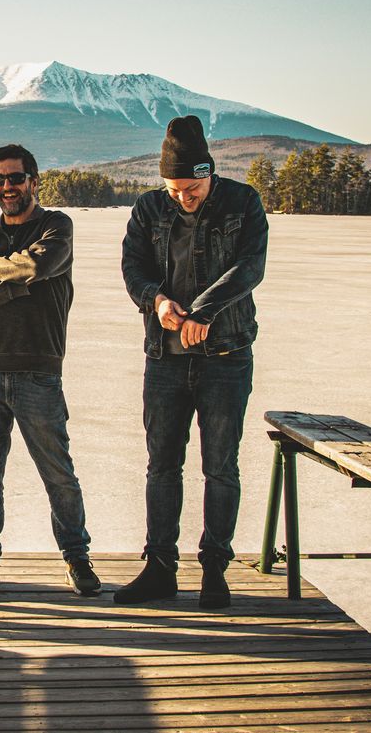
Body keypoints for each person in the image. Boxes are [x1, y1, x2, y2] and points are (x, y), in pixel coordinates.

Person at [117, 115, 268, 608]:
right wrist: (157, 301)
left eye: (193, 187)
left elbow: (250, 267)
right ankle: (160, 568)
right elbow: (133, 266)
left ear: (210, 171)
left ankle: (215, 572)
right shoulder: (147, 209)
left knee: (220, 466)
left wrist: (203, 312)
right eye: (175, 188)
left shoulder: (242, 203)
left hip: (225, 357)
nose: (184, 197)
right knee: (162, 466)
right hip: (165, 360)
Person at [0, 144, 100, 596]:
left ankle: (77, 557)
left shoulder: (57, 225)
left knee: (59, 473)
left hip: (39, 370)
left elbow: (41, 262)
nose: (7, 187)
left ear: (34, 181)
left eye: (15, 178)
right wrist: (17, 287)